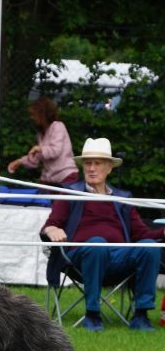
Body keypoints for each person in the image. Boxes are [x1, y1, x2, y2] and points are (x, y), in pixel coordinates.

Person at [41, 137, 164, 331]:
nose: (91, 168)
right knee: (97, 244)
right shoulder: (69, 193)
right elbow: (49, 225)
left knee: (149, 246)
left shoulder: (122, 198)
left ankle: (141, 315)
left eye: (97, 163)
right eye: (88, 163)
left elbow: (142, 233)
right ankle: (92, 315)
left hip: (119, 257)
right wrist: (52, 229)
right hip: (80, 257)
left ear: (109, 168)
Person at [7, 97, 78, 188]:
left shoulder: (58, 126)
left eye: (34, 114)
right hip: (49, 179)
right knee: (40, 200)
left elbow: (55, 151)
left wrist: (39, 149)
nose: (32, 117)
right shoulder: (40, 134)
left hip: (66, 177)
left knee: (58, 202)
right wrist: (20, 161)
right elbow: (36, 159)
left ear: (43, 113)